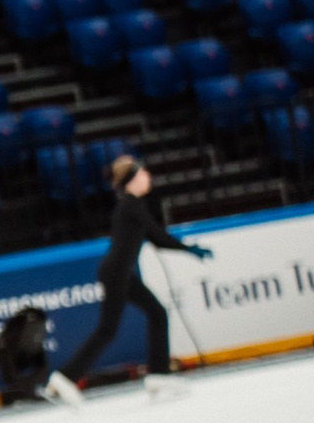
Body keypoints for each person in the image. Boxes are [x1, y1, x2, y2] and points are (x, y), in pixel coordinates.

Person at [45, 155, 212, 406]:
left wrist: (188, 249)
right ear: (133, 178)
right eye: (144, 173)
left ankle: (158, 375)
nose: (149, 177)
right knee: (107, 330)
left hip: (122, 273)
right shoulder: (131, 205)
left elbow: (155, 239)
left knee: (157, 313)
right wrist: (190, 249)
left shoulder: (132, 205)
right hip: (117, 273)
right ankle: (64, 378)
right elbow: (158, 236)